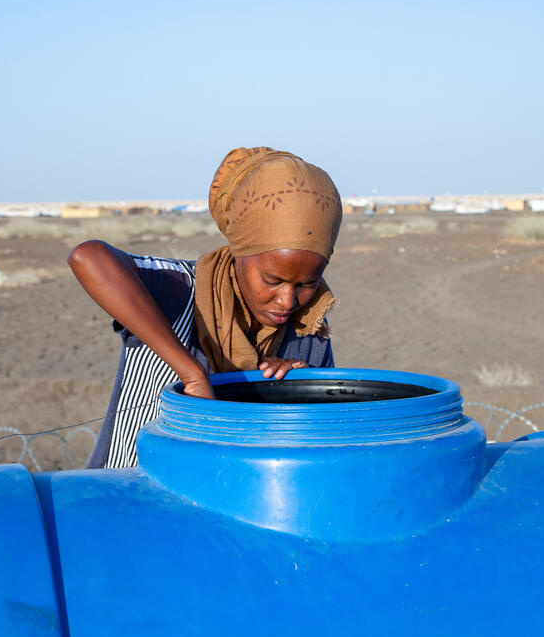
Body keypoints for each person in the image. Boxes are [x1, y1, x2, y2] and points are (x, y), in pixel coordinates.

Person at [68, 147, 342, 469]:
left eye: (307, 283)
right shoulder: (180, 290)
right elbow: (88, 257)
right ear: (239, 251)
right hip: (126, 488)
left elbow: (320, 441)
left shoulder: (308, 332)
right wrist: (192, 374)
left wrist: (302, 387)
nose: (287, 301)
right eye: (272, 280)